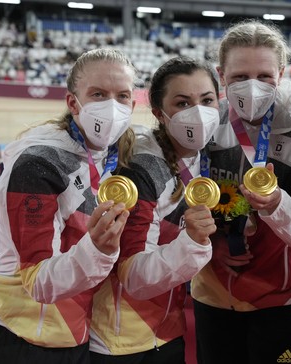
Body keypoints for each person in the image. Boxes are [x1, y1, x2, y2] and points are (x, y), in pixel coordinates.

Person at [0, 48, 138, 364]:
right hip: (11, 338)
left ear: (133, 104)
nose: (112, 106)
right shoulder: (37, 163)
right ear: (72, 102)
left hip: (74, 338)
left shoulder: (114, 156)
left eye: (121, 96)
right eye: (98, 94)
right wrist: (98, 248)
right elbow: (38, 283)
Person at [191, 20, 291, 364]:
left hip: (284, 297)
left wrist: (277, 203)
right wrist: (212, 247)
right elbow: (182, 202)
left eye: (264, 76)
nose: (252, 87)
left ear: (281, 72)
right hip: (214, 293)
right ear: (221, 75)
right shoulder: (204, 125)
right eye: (238, 77)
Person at [89, 56, 217, 363]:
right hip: (120, 341)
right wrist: (195, 243)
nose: (198, 113)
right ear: (159, 113)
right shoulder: (143, 168)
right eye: (183, 103)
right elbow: (132, 275)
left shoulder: (203, 155)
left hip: (165, 330)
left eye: (207, 100)